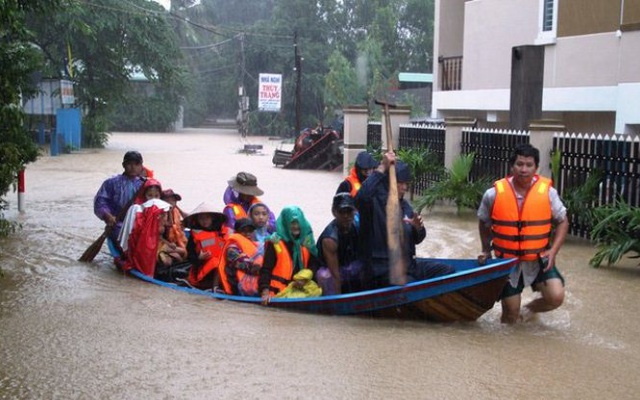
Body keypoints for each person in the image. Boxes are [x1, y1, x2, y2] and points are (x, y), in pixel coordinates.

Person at [477, 143, 569, 323]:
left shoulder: (548, 193)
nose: (524, 169)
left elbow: (563, 221)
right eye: (519, 164)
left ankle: (529, 310)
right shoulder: (493, 194)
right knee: (510, 314)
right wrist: (485, 249)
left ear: (536, 168)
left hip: (539, 258)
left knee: (556, 297)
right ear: (512, 166)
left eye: (529, 165)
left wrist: (553, 251)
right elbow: (483, 222)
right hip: (508, 261)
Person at [355, 151, 454, 290]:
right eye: (400, 183)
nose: (405, 187)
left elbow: (417, 238)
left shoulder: (405, 206)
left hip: (408, 266)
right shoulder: (372, 201)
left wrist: (418, 228)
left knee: (447, 271)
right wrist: (383, 167)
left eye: (406, 183)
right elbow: (361, 197)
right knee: (412, 286)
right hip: (382, 272)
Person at [259, 206, 320, 304]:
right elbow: (266, 269)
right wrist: (265, 291)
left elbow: (314, 264)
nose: (296, 226)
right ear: (285, 224)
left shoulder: (307, 242)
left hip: (301, 286)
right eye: (292, 223)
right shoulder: (274, 242)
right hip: (279, 291)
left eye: (298, 222)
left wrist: (305, 276)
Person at [93, 150, 146, 243]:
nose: (133, 167)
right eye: (129, 164)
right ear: (123, 165)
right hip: (118, 223)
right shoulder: (111, 183)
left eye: (136, 164)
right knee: (120, 234)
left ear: (141, 166)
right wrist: (107, 215)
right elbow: (100, 202)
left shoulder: (146, 184)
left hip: (140, 223)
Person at [315, 193, 363, 295]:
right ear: (334, 212)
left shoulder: (357, 226)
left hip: (348, 265)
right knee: (325, 276)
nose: (346, 216)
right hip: (331, 269)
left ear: (354, 212)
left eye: (349, 212)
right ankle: (332, 303)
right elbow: (335, 273)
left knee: (365, 265)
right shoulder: (330, 239)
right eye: (341, 212)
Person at [121, 198, 172, 278]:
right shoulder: (145, 227)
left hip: (156, 248)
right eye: (163, 214)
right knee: (167, 260)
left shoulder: (154, 224)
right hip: (145, 253)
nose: (164, 216)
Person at [184, 202, 229, 290]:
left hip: (224, 267)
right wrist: (199, 258)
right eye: (201, 218)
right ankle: (215, 288)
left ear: (213, 218)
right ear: (197, 220)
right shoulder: (194, 234)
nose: (204, 221)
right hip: (203, 269)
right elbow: (190, 256)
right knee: (216, 263)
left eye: (207, 217)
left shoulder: (222, 232)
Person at [218, 218, 262, 296]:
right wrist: (263, 269)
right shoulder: (232, 248)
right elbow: (243, 265)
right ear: (237, 232)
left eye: (250, 231)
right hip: (237, 285)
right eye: (244, 231)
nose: (248, 233)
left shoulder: (256, 246)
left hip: (251, 280)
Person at [118, 178, 163, 253]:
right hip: (139, 244)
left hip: (155, 242)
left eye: (156, 196)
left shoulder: (161, 209)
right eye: (150, 195)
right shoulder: (136, 209)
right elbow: (133, 233)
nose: (153, 199)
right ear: (144, 195)